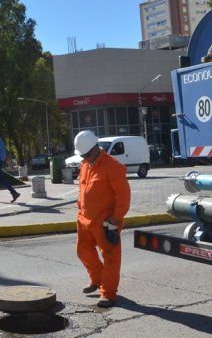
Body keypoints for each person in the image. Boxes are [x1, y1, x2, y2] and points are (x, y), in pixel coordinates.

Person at [73, 130, 131, 308]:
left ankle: (108, 293)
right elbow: (82, 190)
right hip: (84, 218)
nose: (83, 158)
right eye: (82, 155)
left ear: (94, 149)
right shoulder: (85, 164)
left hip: (106, 221)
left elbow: (123, 196)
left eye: (85, 155)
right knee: (83, 250)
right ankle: (97, 279)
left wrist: (116, 219)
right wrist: (80, 211)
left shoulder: (112, 166)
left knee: (111, 257)